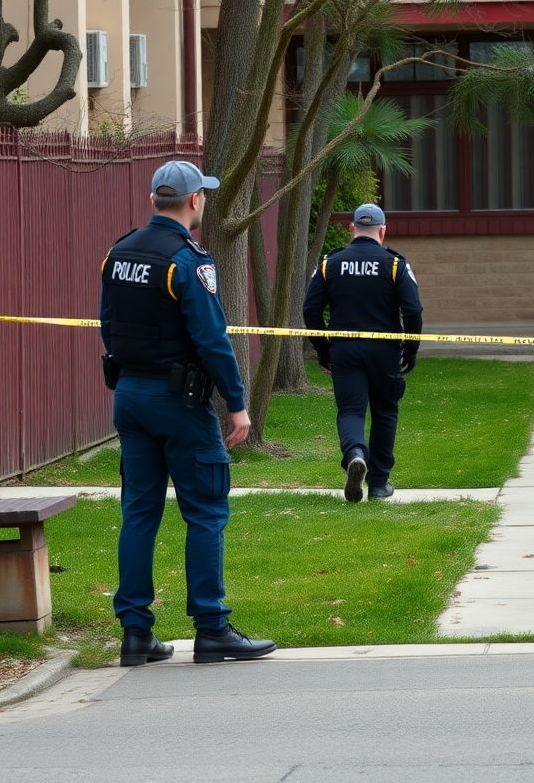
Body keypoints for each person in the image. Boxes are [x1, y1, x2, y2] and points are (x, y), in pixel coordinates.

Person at [100, 159, 277, 666]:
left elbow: (108, 325)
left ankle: (136, 635)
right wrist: (238, 405)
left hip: (129, 396)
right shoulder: (187, 261)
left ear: (156, 198)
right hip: (180, 402)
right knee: (205, 511)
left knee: (138, 513)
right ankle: (212, 627)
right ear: (195, 200)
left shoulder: (119, 252)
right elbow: (212, 340)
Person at [303, 203, 423, 503]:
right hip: (384, 351)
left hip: (345, 349)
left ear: (352, 228)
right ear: (383, 231)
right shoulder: (395, 265)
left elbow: (310, 310)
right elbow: (413, 309)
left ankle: (356, 453)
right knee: (385, 411)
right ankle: (379, 483)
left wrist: (323, 348)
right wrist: (410, 349)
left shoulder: (330, 263)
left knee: (351, 410)